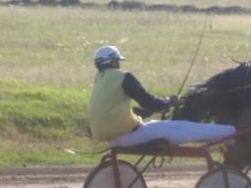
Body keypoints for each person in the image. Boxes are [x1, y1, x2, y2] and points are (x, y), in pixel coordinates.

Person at [88, 45, 236, 148]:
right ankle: (232, 133)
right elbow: (151, 103)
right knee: (180, 126)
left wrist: (145, 111)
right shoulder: (124, 77)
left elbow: (117, 109)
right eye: (118, 61)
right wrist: (169, 102)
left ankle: (228, 134)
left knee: (167, 125)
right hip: (128, 137)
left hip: (113, 139)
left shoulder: (99, 80)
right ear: (113, 61)